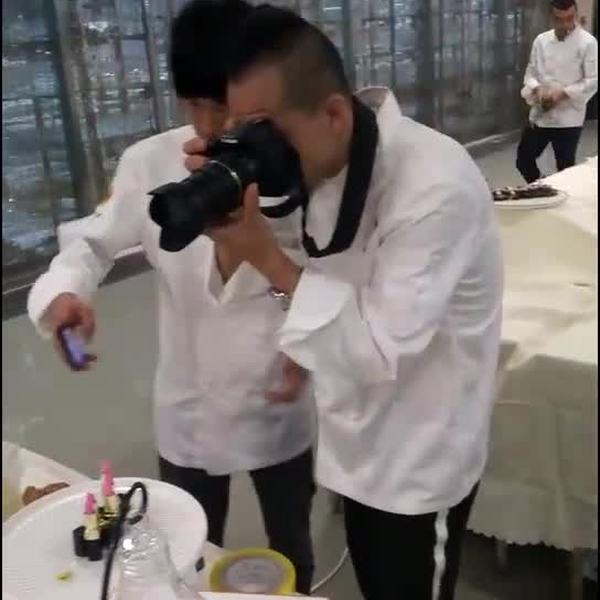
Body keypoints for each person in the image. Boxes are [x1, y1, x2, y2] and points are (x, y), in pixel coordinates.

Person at [186, 5, 504, 599]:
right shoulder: (323, 156)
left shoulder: (434, 187)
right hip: (355, 435)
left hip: (419, 456)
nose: (260, 150)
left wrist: (265, 257)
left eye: (264, 130)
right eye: (244, 131)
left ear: (334, 112)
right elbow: (323, 267)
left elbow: (380, 346)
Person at [27, 1, 316, 592]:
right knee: (182, 553)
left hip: (280, 393)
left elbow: (330, 273)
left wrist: (310, 341)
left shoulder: (295, 167)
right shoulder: (150, 162)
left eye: (223, 106)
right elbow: (90, 242)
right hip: (191, 404)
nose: (208, 125)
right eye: (193, 105)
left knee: (292, 545)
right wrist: (64, 294)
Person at [516, 0, 598, 183]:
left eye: (570, 18)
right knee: (523, 160)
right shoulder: (541, 40)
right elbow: (531, 73)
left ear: (575, 15)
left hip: (569, 117)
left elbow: (593, 80)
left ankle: (562, 195)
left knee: (565, 168)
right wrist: (537, 89)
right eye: (559, 20)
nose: (565, 24)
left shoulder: (588, 43)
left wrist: (563, 94)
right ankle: (543, 188)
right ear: (551, 18)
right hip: (541, 113)